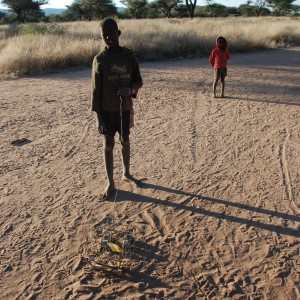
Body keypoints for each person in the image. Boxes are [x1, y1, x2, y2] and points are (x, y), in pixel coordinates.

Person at [91, 18, 143, 199]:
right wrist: (98, 118)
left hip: (125, 109)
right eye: (104, 35)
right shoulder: (100, 60)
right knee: (108, 145)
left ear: (118, 33)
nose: (108, 37)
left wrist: (131, 90)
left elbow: (138, 80)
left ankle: (126, 173)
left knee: (125, 141)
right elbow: (95, 92)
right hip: (107, 111)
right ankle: (110, 183)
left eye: (111, 33)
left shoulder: (129, 56)